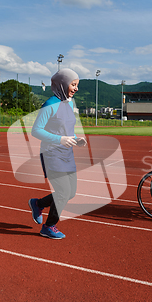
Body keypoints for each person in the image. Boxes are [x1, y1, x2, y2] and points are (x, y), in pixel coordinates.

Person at [27, 68, 87, 239]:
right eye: (73, 84)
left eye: (77, 85)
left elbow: (66, 130)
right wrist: (59, 140)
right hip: (51, 154)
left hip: (67, 153)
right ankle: (49, 226)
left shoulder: (68, 103)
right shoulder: (50, 104)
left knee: (71, 192)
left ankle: (38, 204)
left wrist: (76, 139)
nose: (76, 88)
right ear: (62, 84)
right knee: (62, 192)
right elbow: (36, 130)